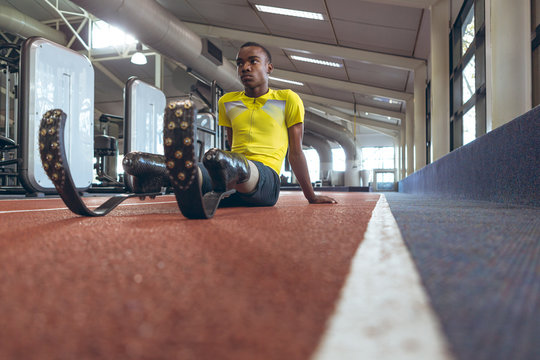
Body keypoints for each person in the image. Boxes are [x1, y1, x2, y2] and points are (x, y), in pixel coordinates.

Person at [198, 42, 336, 207]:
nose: (245, 68)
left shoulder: (287, 99)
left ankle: (230, 174)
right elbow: (233, 145)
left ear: (269, 67)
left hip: (266, 181)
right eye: (240, 63)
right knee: (194, 170)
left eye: (253, 61)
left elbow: (296, 153)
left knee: (233, 165)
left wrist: (311, 196)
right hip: (229, 175)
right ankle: (163, 168)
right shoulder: (227, 101)